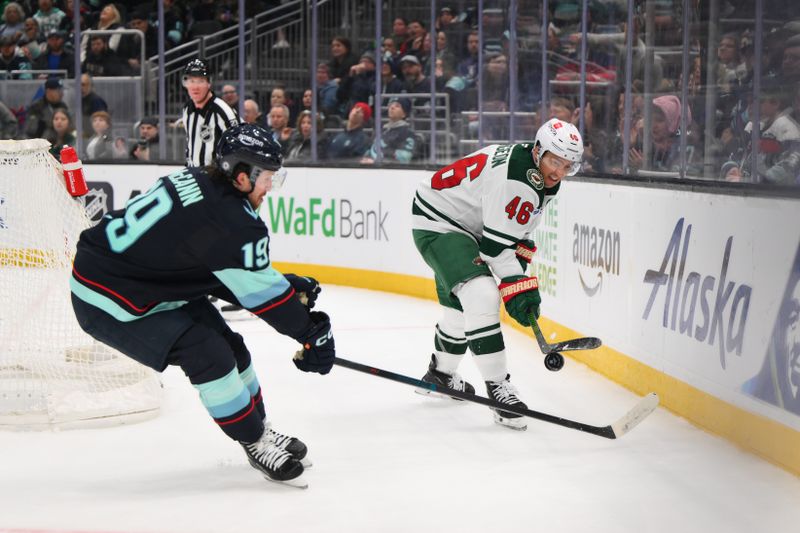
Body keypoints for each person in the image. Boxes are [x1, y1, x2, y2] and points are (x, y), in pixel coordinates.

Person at [69, 123, 336, 488]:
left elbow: (214, 266)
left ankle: (258, 429)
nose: (271, 185)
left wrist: (284, 286)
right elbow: (263, 296)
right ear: (242, 176)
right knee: (209, 353)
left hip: (141, 281)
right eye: (268, 177)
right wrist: (311, 330)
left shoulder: (198, 181)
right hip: (109, 297)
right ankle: (253, 439)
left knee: (232, 346)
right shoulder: (233, 221)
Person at [411, 118, 583, 430]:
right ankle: (498, 390)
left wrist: (518, 272)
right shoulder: (520, 179)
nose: (558, 171)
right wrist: (517, 284)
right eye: (555, 161)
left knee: (462, 305)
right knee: (481, 294)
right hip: (440, 223)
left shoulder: (539, 174)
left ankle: (440, 374)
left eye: (568, 165)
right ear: (539, 151)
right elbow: (494, 249)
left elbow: (517, 232)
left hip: (462, 220)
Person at [180, 58, 238, 167]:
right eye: (191, 81)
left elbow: (237, 147)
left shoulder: (223, 111)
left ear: (209, 83)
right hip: (193, 174)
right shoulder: (187, 108)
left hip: (215, 178)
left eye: (201, 81)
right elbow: (190, 143)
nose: (195, 87)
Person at [361, 97, 416, 164]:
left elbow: (404, 158)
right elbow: (370, 149)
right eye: (390, 105)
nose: (392, 107)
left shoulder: (408, 133)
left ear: (404, 114)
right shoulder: (381, 130)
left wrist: (376, 162)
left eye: (397, 106)